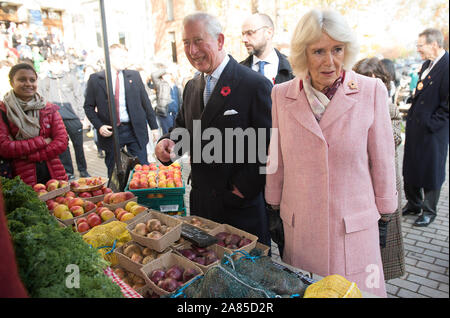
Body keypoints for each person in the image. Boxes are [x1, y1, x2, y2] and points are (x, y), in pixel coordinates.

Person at [264, 9, 397, 297]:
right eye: (318, 51)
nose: (329, 61)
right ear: (303, 54)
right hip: (302, 229)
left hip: (352, 229)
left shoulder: (371, 91)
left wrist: (386, 208)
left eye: (337, 49)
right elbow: (277, 156)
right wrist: (272, 199)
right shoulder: (281, 95)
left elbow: (383, 159)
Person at [155, 12, 273, 246]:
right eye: (186, 43)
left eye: (198, 41)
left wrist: (242, 188)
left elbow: (270, 144)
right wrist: (167, 143)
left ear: (219, 41)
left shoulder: (254, 84)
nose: (192, 51)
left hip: (240, 210)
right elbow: (183, 130)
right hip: (202, 208)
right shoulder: (191, 86)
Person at [353, 57, 405, 281]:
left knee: (380, 249)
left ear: (379, 80)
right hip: (360, 187)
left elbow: (394, 137)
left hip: (383, 187)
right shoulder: (353, 105)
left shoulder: (388, 106)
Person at [84, 44, 159, 178]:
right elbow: (88, 107)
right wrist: (99, 126)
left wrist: (154, 127)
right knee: (115, 172)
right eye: (120, 56)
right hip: (111, 132)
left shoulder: (134, 76)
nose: (124, 59)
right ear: (109, 58)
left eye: (126, 56)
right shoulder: (96, 79)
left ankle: (143, 196)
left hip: (134, 130)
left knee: (142, 169)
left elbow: (145, 102)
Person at [402, 28, 449, 227]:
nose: (418, 49)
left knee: (431, 171)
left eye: (420, 46)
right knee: (411, 167)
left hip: (433, 131)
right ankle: (414, 203)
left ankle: (429, 211)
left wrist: (431, 123)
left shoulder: (447, 66)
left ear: (434, 44)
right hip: (415, 127)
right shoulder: (426, 64)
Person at [0, 63, 68, 186]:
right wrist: (42, 141)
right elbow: (4, 148)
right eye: (22, 79)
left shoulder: (48, 108)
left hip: (54, 176)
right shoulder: (4, 111)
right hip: (21, 182)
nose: (28, 84)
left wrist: (31, 156)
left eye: (32, 80)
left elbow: (62, 142)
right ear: (11, 82)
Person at [39, 55, 90, 180]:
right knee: (63, 147)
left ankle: (83, 170)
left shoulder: (70, 78)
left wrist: (82, 117)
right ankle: (68, 171)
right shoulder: (44, 81)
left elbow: (79, 96)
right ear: (49, 65)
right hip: (55, 119)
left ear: (61, 64)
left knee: (78, 146)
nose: (55, 66)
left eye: (58, 63)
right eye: (53, 63)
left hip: (73, 117)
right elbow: (41, 100)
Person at [240, 13, 294, 84]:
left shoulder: (294, 68)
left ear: (269, 33)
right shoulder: (238, 71)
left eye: (250, 33)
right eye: (243, 34)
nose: (244, 40)